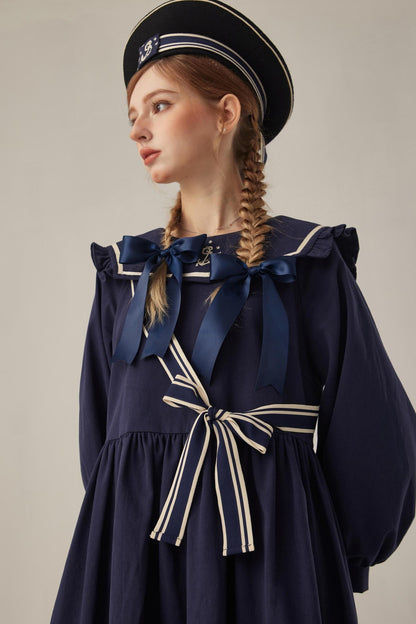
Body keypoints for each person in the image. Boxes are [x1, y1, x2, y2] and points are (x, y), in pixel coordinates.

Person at [51, 1, 416, 623]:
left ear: (226, 113)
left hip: (272, 563)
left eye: (159, 106)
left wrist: (335, 557)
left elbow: (375, 434)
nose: (138, 131)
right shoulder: (125, 274)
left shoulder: (305, 264)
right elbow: (103, 449)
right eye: (133, 116)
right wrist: (121, 543)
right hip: (139, 563)